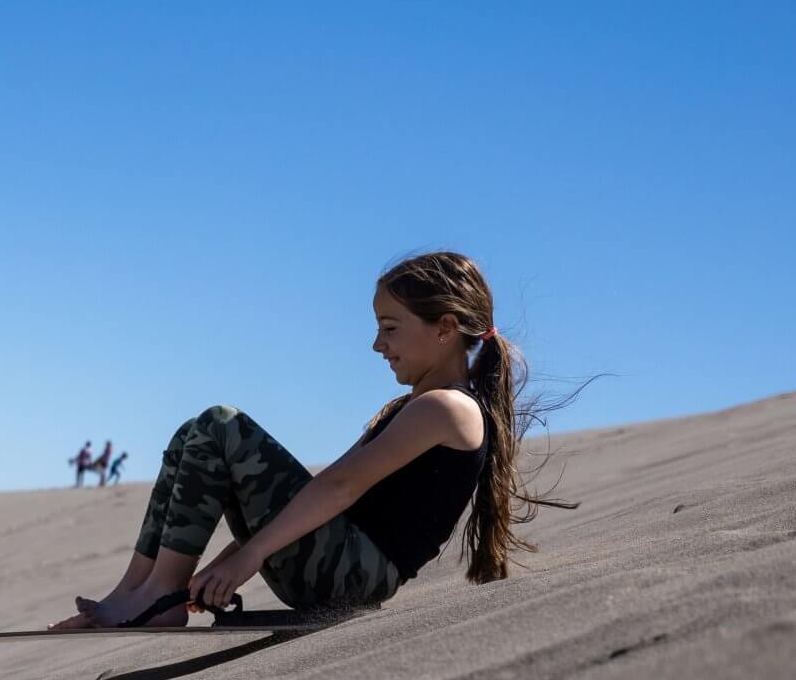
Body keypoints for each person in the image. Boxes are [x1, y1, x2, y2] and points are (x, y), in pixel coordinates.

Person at [55, 251, 552, 631]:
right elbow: (312, 497)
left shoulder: (448, 408)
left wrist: (250, 558)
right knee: (194, 436)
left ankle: (156, 596)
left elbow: (339, 489)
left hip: (355, 574)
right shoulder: (419, 407)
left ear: (445, 328)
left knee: (219, 425)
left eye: (390, 328)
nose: (378, 345)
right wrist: (215, 570)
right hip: (342, 564)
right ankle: (136, 591)